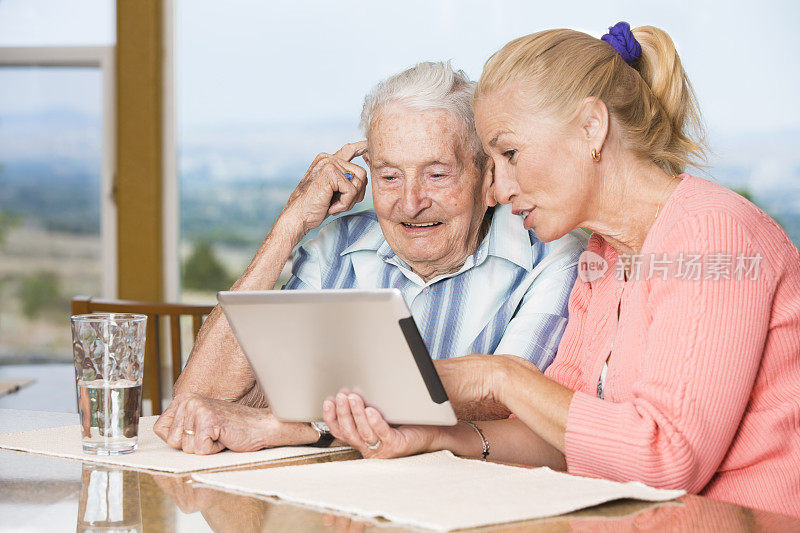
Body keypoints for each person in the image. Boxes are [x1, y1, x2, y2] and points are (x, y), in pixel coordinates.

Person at [324, 24, 800, 518]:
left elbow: (665, 459)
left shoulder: (712, 234)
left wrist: (496, 376)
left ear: (591, 127)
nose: (497, 190)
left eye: (509, 154)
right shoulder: (603, 257)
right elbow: (560, 439)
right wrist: (437, 437)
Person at [153, 61, 587, 455]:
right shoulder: (332, 249)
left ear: (487, 177)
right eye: (389, 176)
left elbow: (503, 406)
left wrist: (300, 425)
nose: (411, 202)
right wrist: (288, 227)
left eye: (437, 174)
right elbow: (197, 407)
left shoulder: (549, 256)